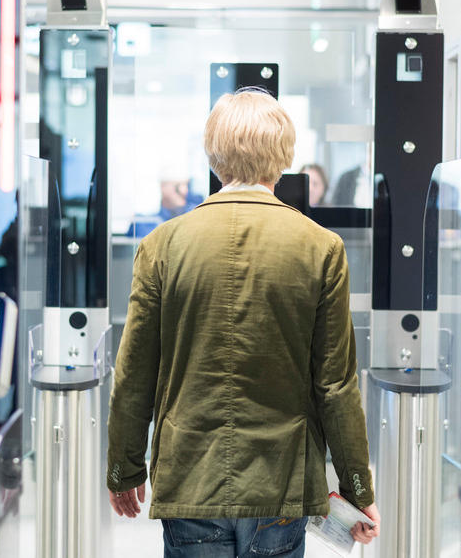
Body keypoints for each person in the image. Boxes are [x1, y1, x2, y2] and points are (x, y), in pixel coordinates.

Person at [106, 88, 379, 557]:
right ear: (284, 156)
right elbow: (336, 385)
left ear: (214, 155)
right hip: (282, 481)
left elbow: (134, 374)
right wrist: (358, 486)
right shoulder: (321, 248)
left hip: (190, 476)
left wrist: (123, 469)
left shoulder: (161, 245)